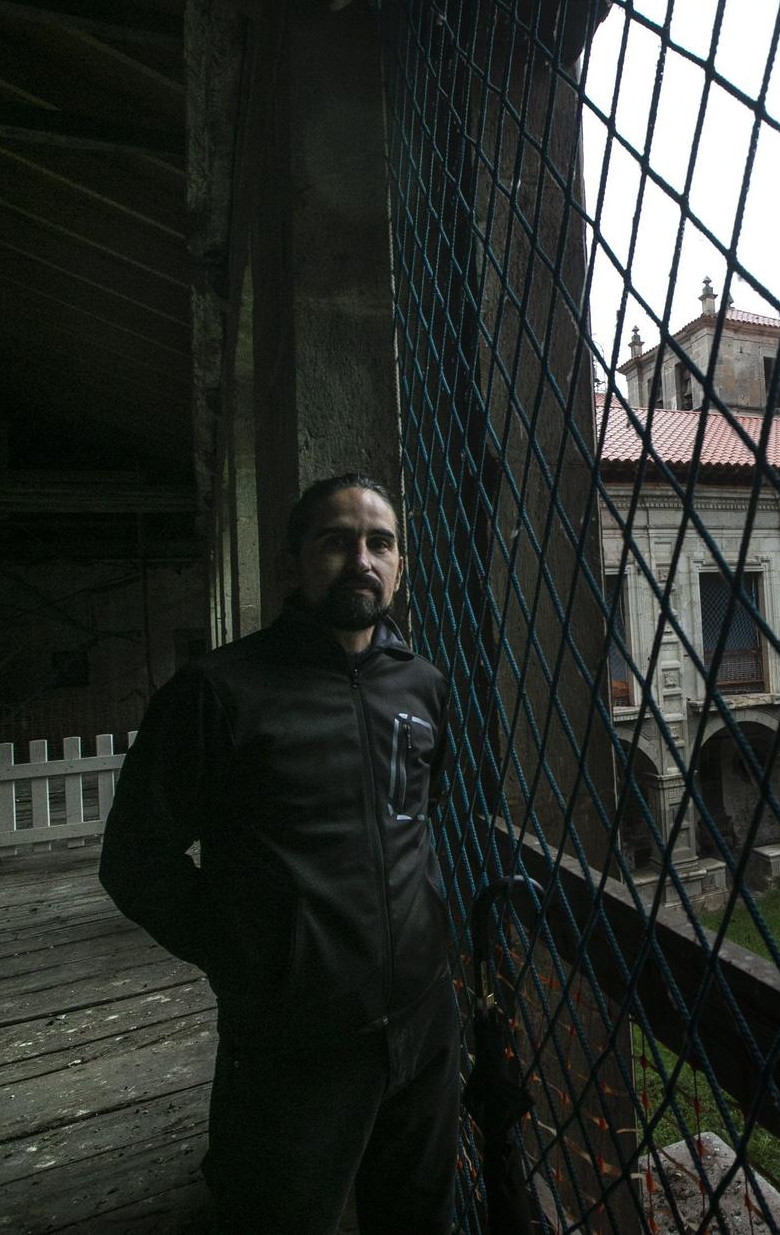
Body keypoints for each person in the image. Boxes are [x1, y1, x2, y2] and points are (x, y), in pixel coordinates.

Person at [100, 473, 460, 1234]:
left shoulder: (423, 686)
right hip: (293, 1049)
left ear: (400, 566)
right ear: (291, 562)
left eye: (380, 542)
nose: (361, 558)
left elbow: (420, 819)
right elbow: (136, 858)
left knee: (421, 1216)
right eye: (336, 540)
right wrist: (251, 955)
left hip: (424, 1023)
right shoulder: (219, 692)